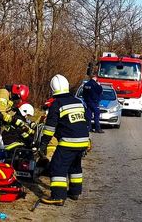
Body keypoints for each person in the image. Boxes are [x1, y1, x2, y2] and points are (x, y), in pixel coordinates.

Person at [38, 74, 90, 206]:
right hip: (83, 140)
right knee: (75, 166)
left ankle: (58, 196)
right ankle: (74, 192)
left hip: (68, 141)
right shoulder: (78, 102)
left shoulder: (57, 104)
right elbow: (85, 121)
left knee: (57, 167)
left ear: (53, 89)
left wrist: (43, 143)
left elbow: (50, 127)